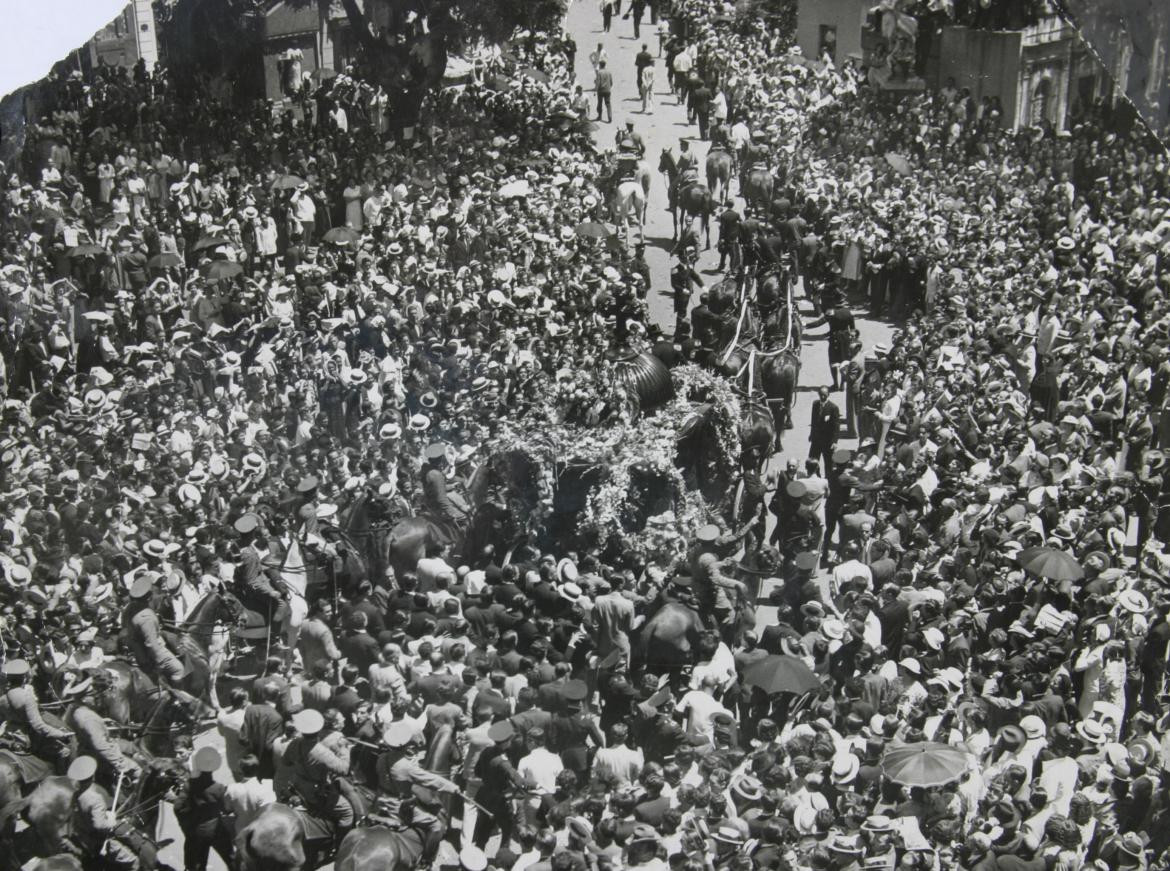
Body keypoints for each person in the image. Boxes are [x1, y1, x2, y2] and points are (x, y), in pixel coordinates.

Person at [171, 746, 232, 871]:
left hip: (197, 831)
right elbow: (226, 808)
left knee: (198, 865)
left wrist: (187, 823)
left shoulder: (189, 785)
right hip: (216, 828)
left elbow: (178, 808)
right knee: (230, 857)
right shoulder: (218, 788)